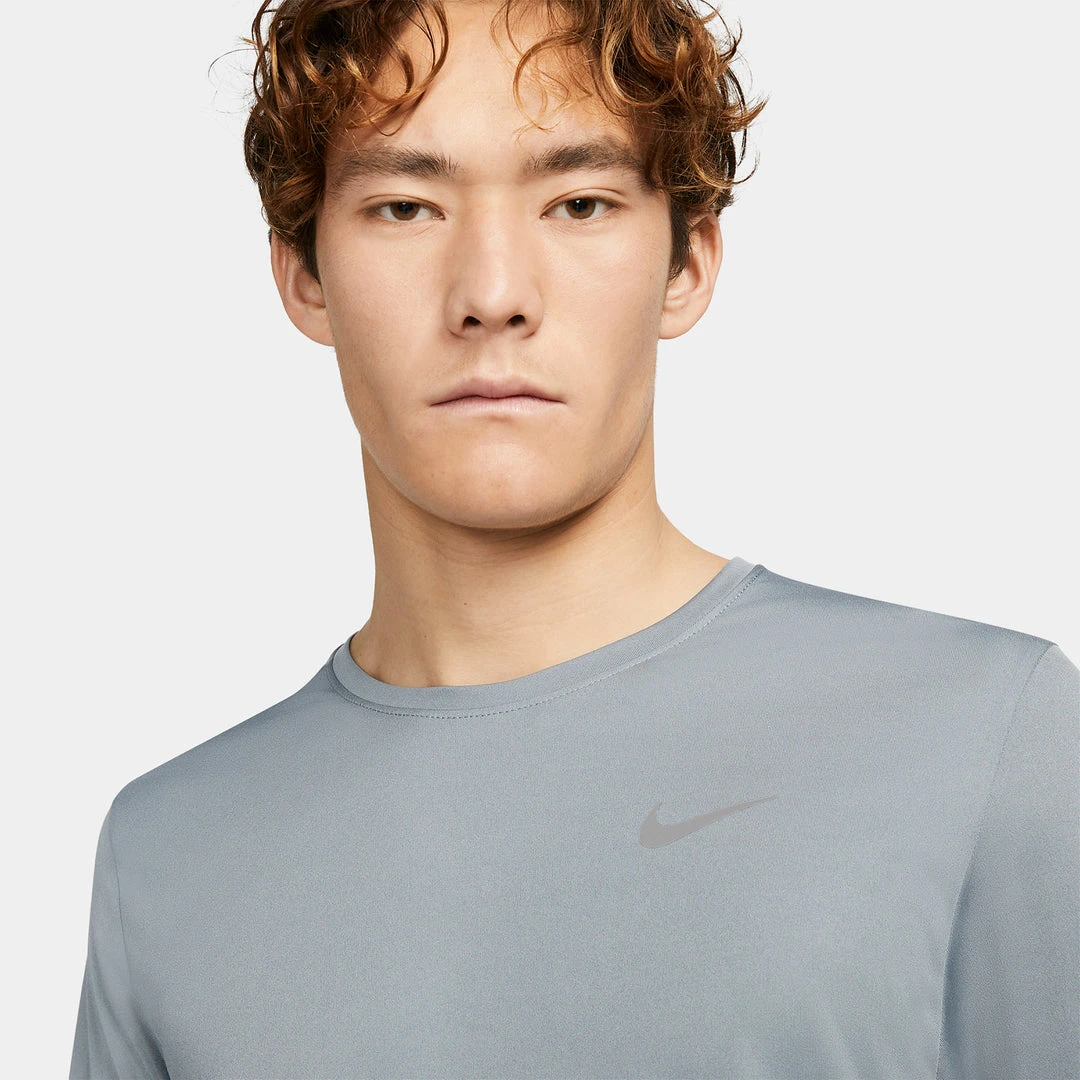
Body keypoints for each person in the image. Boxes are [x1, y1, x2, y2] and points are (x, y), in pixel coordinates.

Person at [69, 0, 1078, 1077]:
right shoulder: (168, 856)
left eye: (578, 202)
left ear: (687, 265)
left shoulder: (987, 738)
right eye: (406, 207)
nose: (493, 295)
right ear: (302, 274)